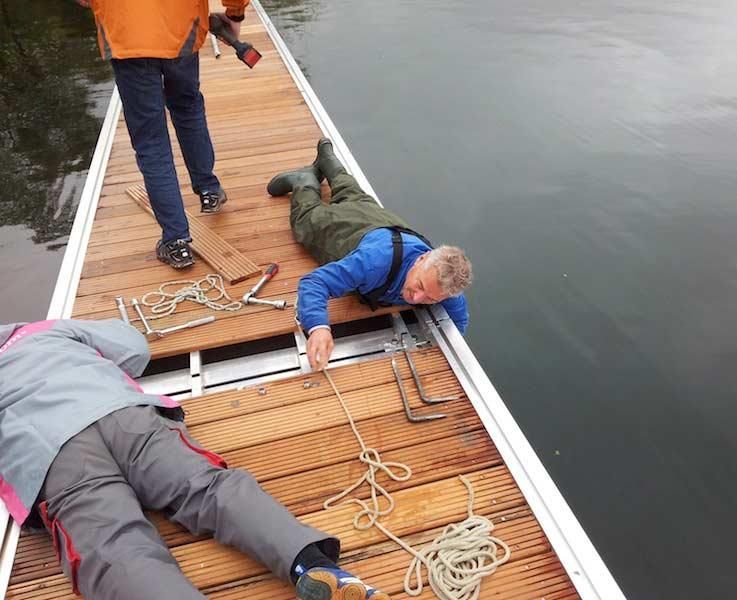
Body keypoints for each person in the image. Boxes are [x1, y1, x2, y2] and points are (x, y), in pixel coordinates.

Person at [0, 319, 390, 600]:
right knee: (208, 488)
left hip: (53, 449)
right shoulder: (42, 330)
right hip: (124, 412)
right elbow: (134, 347)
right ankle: (311, 565)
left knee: (113, 548)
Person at [267, 139, 473, 371]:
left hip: (381, 221)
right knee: (306, 221)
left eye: (430, 299)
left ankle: (328, 160)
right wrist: (319, 327)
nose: (416, 299)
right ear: (422, 259)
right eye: (420, 286)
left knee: (352, 193)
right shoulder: (373, 264)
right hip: (353, 233)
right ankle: (305, 180)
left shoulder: (446, 288)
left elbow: (458, 322)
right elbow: (314, 283)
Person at [79, 0, 247, 269]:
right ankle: (209, 190)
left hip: (127, 39)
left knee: (151, 141)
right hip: (181, 28)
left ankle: (176, 242)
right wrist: (235, 13)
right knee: (188, 109)